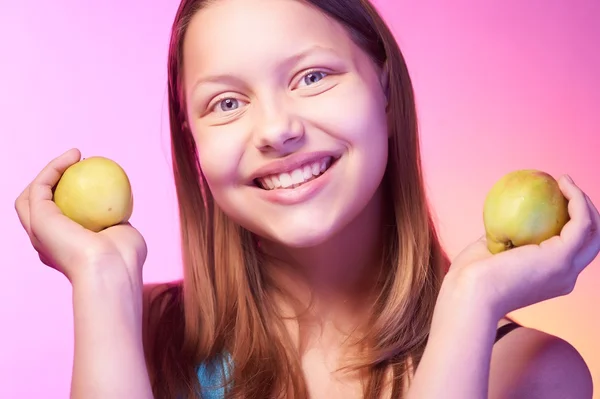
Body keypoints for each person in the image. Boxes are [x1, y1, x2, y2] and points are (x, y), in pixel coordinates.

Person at [15, 0, 599, 398]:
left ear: (387, 92)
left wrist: (471, 301)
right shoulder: (135, 333)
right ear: (191, 141)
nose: (276, 130)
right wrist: (99, 281)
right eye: (226, 103)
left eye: (313, 77)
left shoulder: (532, 374)